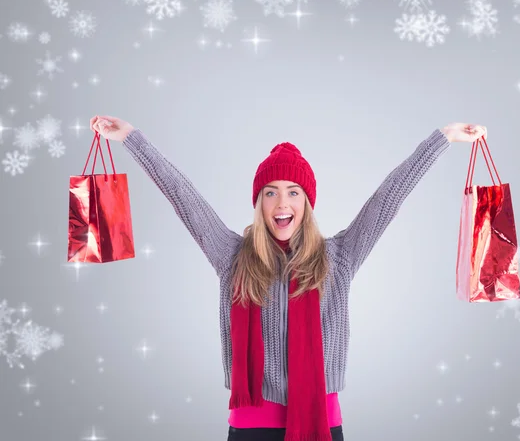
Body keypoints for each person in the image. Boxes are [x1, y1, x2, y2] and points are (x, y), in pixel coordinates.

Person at [89, 115, 487, 441]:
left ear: (307, 203)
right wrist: (131, 139)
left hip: (320, 422)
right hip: (250, 427)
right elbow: (182, 196)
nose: (282, 203)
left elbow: (389, 196)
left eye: (294, 192)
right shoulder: (232, 257)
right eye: (271, 192)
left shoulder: (339, 258)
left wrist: (443, 139)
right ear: (259, 202)